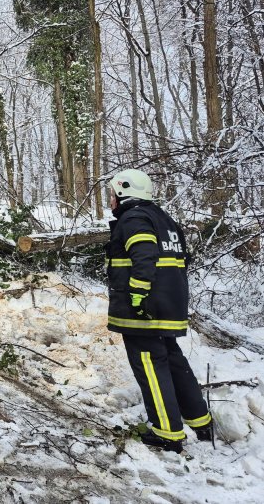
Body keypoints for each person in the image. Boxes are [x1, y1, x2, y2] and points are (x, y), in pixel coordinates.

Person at [106, 168, 213, 452]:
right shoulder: (163, 219)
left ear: (123, 192)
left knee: (151, 366)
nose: (110, 200)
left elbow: (144, 255)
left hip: (144, 312)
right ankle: (200, 420)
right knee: (173, 359)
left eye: (112, 194)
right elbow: (182, 260)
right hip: (169, 305)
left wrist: (139, 295)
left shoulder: (134, 218)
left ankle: (167, 432)